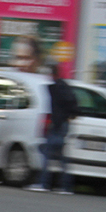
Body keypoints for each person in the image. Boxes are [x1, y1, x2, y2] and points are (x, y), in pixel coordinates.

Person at [26, 62, 78, 193]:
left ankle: (43, 183)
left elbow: (65, 103)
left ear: (52, 74)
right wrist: (71, 114)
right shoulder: (63, 86)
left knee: (47, 154)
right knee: (60, 156)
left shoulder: (57, 87)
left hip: (58, 125)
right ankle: (65, 186)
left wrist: (62, 117)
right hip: (62, 124)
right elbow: (72, 101)